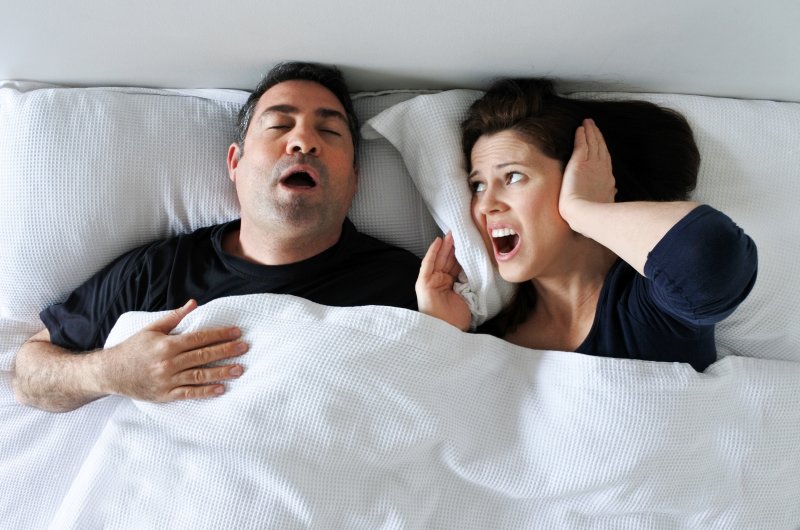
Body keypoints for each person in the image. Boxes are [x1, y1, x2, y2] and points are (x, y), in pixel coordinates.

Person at [13, 61, 421, 412]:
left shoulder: (412, 287)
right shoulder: (161, 271)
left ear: (354, 179)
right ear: (235, 163)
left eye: (330, 132)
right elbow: (28, 373)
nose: (303, 142)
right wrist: (112, 371)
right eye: (279, 124)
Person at [416, 78, 757, 371]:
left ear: (579, 177)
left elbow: (708, 253)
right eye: (478, 185)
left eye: (513, 176)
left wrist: (583, 211)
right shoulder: (488, 341)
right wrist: (440, 336)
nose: (486, 205)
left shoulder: (653, 307)